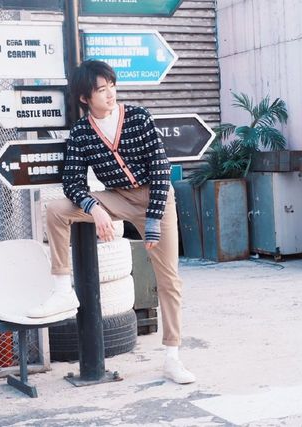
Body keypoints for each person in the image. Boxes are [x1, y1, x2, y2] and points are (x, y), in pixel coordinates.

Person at [27, 60, 195, 384]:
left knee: (169, 279)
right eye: (101, 90)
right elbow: (72, 183)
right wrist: (95, 208)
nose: (110, 94)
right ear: (85, 98)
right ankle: (62, 290)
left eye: (112, 86)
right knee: (56, 210)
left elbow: (161, 169)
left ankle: (172, 357)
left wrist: (153, 218)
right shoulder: (82, 133)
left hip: (156, 198)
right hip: (116, 197)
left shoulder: (138, 117)